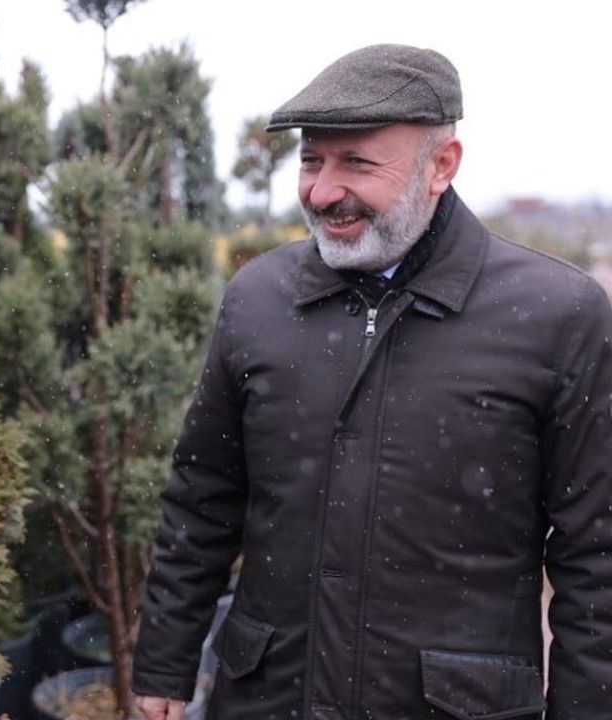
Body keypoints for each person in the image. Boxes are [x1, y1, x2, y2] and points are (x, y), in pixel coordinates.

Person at [132, 44, 612, 720]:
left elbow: (597, 554)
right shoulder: (258, 298)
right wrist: (165, 662)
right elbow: (202, 498)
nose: (323, 191)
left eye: (356, 163)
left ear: (441, 165)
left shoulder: (555, 315)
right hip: (268, 697)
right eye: (311, 161)